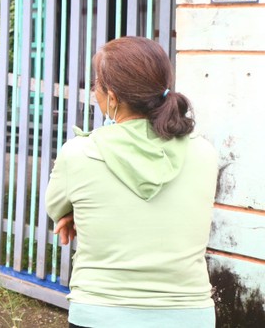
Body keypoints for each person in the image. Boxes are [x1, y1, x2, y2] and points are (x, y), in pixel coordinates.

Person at [45, 36, 217, 328]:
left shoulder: (79, 153)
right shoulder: (203, 152)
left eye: (95, 84)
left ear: (111, 97)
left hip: (99, 312)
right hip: (189, 315)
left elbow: (55, 208)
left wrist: (75, 212)